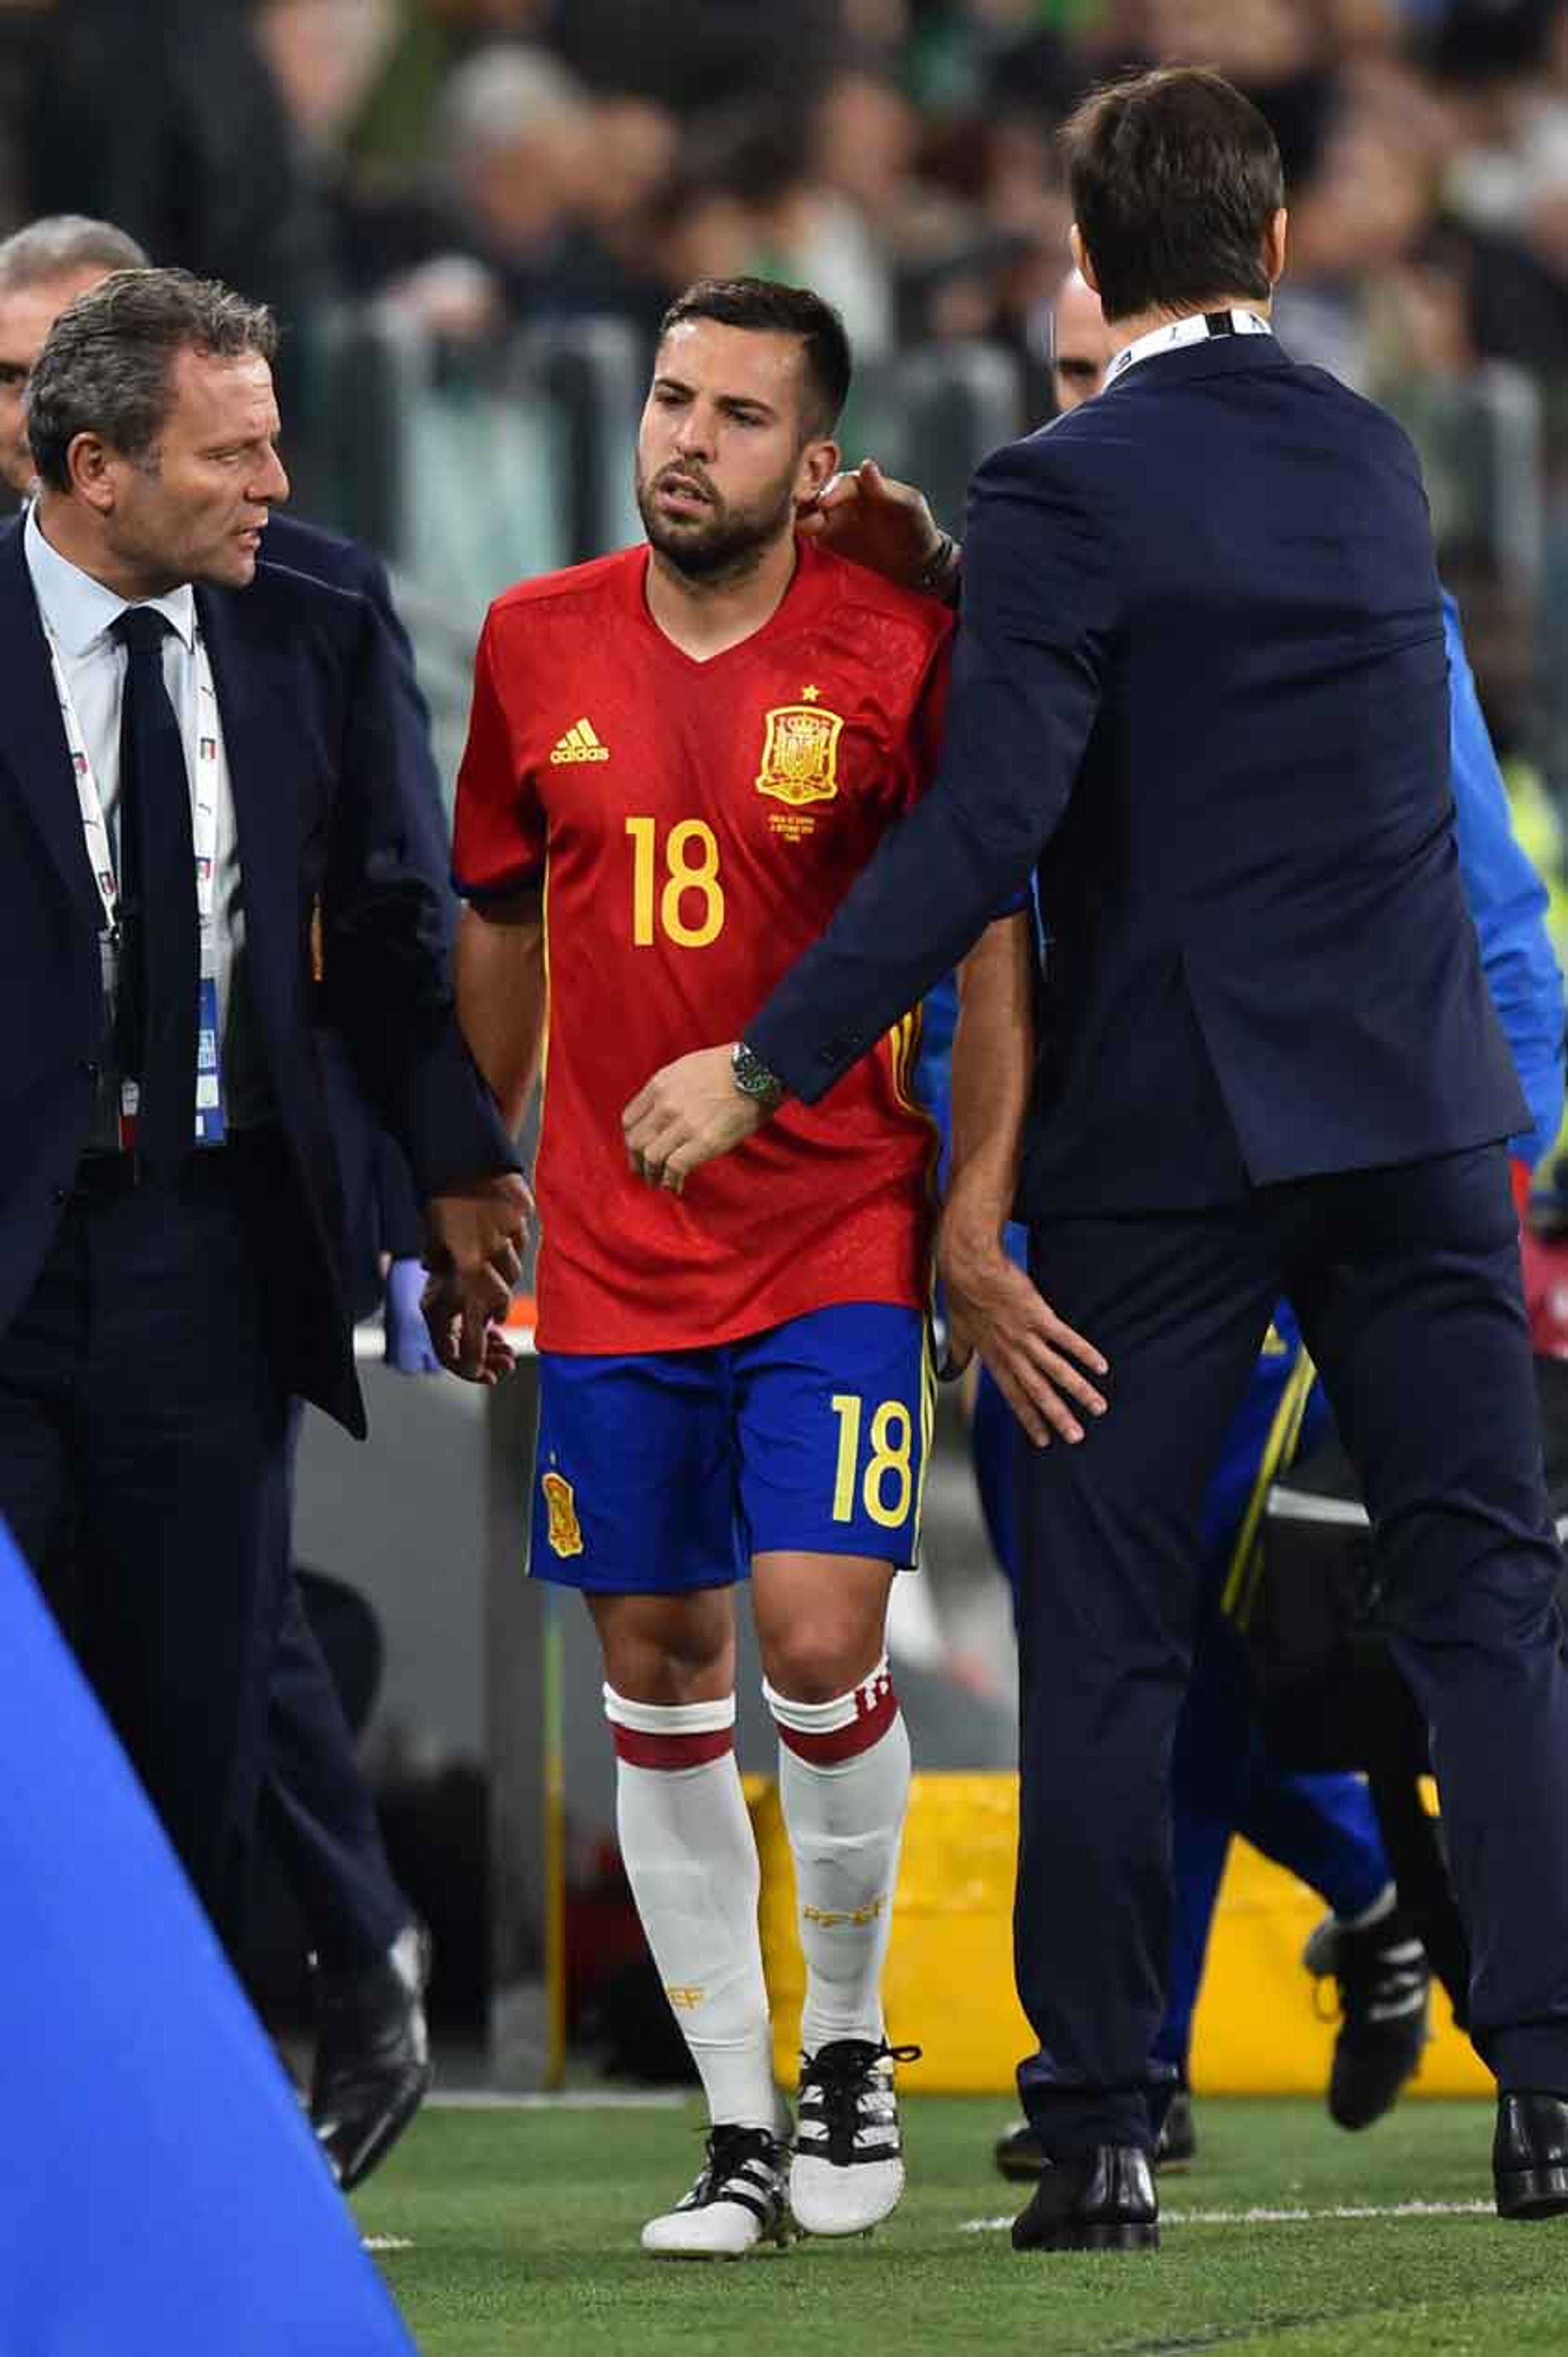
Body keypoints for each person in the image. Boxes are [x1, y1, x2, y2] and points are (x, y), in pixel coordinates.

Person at [622, 69, 1568, 2249]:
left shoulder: (1066, 480)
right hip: (1424, 1116)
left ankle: (1111, 2118)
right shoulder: (1372, 450)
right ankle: (1546, 2093)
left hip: (1175, 1140)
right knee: (1485, 1601)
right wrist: (968, 572)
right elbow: (1215, 665)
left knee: (1119, 1625)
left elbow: (993, 820)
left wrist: (767, 1057)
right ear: (1276, 244)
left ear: (1092, 243)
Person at [838, 268, 1565, 2176]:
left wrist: (1521, 1155)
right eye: (1059, 378)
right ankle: (1392, 2047)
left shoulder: (1116, 534)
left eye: (1102, 368)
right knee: (1237, 1633)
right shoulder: (1314, 516)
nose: (1086, 404)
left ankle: (1114, 2099)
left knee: (1157, 1635)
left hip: (1185, 1164)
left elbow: (1484, 885)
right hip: (1277, 1147)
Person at [439, 276, 969, 2257]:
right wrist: (468, 1185)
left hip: (835, 1222)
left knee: (822, 1642)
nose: (687, 438)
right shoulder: (529, 640)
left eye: (741, 416)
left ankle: (846, 2047)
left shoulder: (896, 653)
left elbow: (975, 932)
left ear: (817, 462)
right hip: (614, 1255)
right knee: (657, 1676)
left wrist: (975, 1207)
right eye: (672, 397)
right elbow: (502, 921)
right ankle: (737, 2125)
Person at [0, 266, 524, 1990]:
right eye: (230, 455)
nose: (274, 487)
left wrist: (458, 1170)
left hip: (214, 1254)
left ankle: (169, 2178)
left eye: (275, 443)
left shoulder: (316, 608)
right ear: (94, 469)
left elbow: (391, 928)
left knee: (194, 1744)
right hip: (9, 1249)